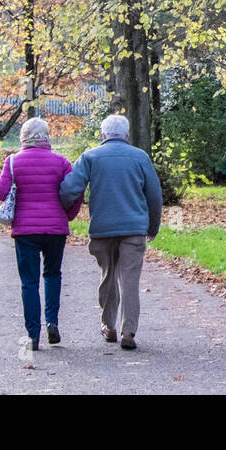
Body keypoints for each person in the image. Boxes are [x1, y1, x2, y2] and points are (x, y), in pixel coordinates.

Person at [59, 114, 163, 351]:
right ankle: (128, 332)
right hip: (134, 229)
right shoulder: (140, 157)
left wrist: (65, 211)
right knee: (129, 280)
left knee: (108, 275)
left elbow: (69, 189)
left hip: (102, 229)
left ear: (103, 135)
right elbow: (155, 196)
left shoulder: (90, 157)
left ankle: (109, 326)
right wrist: (152, 226)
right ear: (127, 135)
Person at [0, 117, 82, 351]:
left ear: (23, 138)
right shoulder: (61, 162)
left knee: (29, 282)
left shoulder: (12, 162)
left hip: (25, 231)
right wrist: (68, 216)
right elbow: (74, 192)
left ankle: (33, 334)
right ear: (46, 137)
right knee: (53, 274)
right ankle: (52, 322)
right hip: (55, 229)